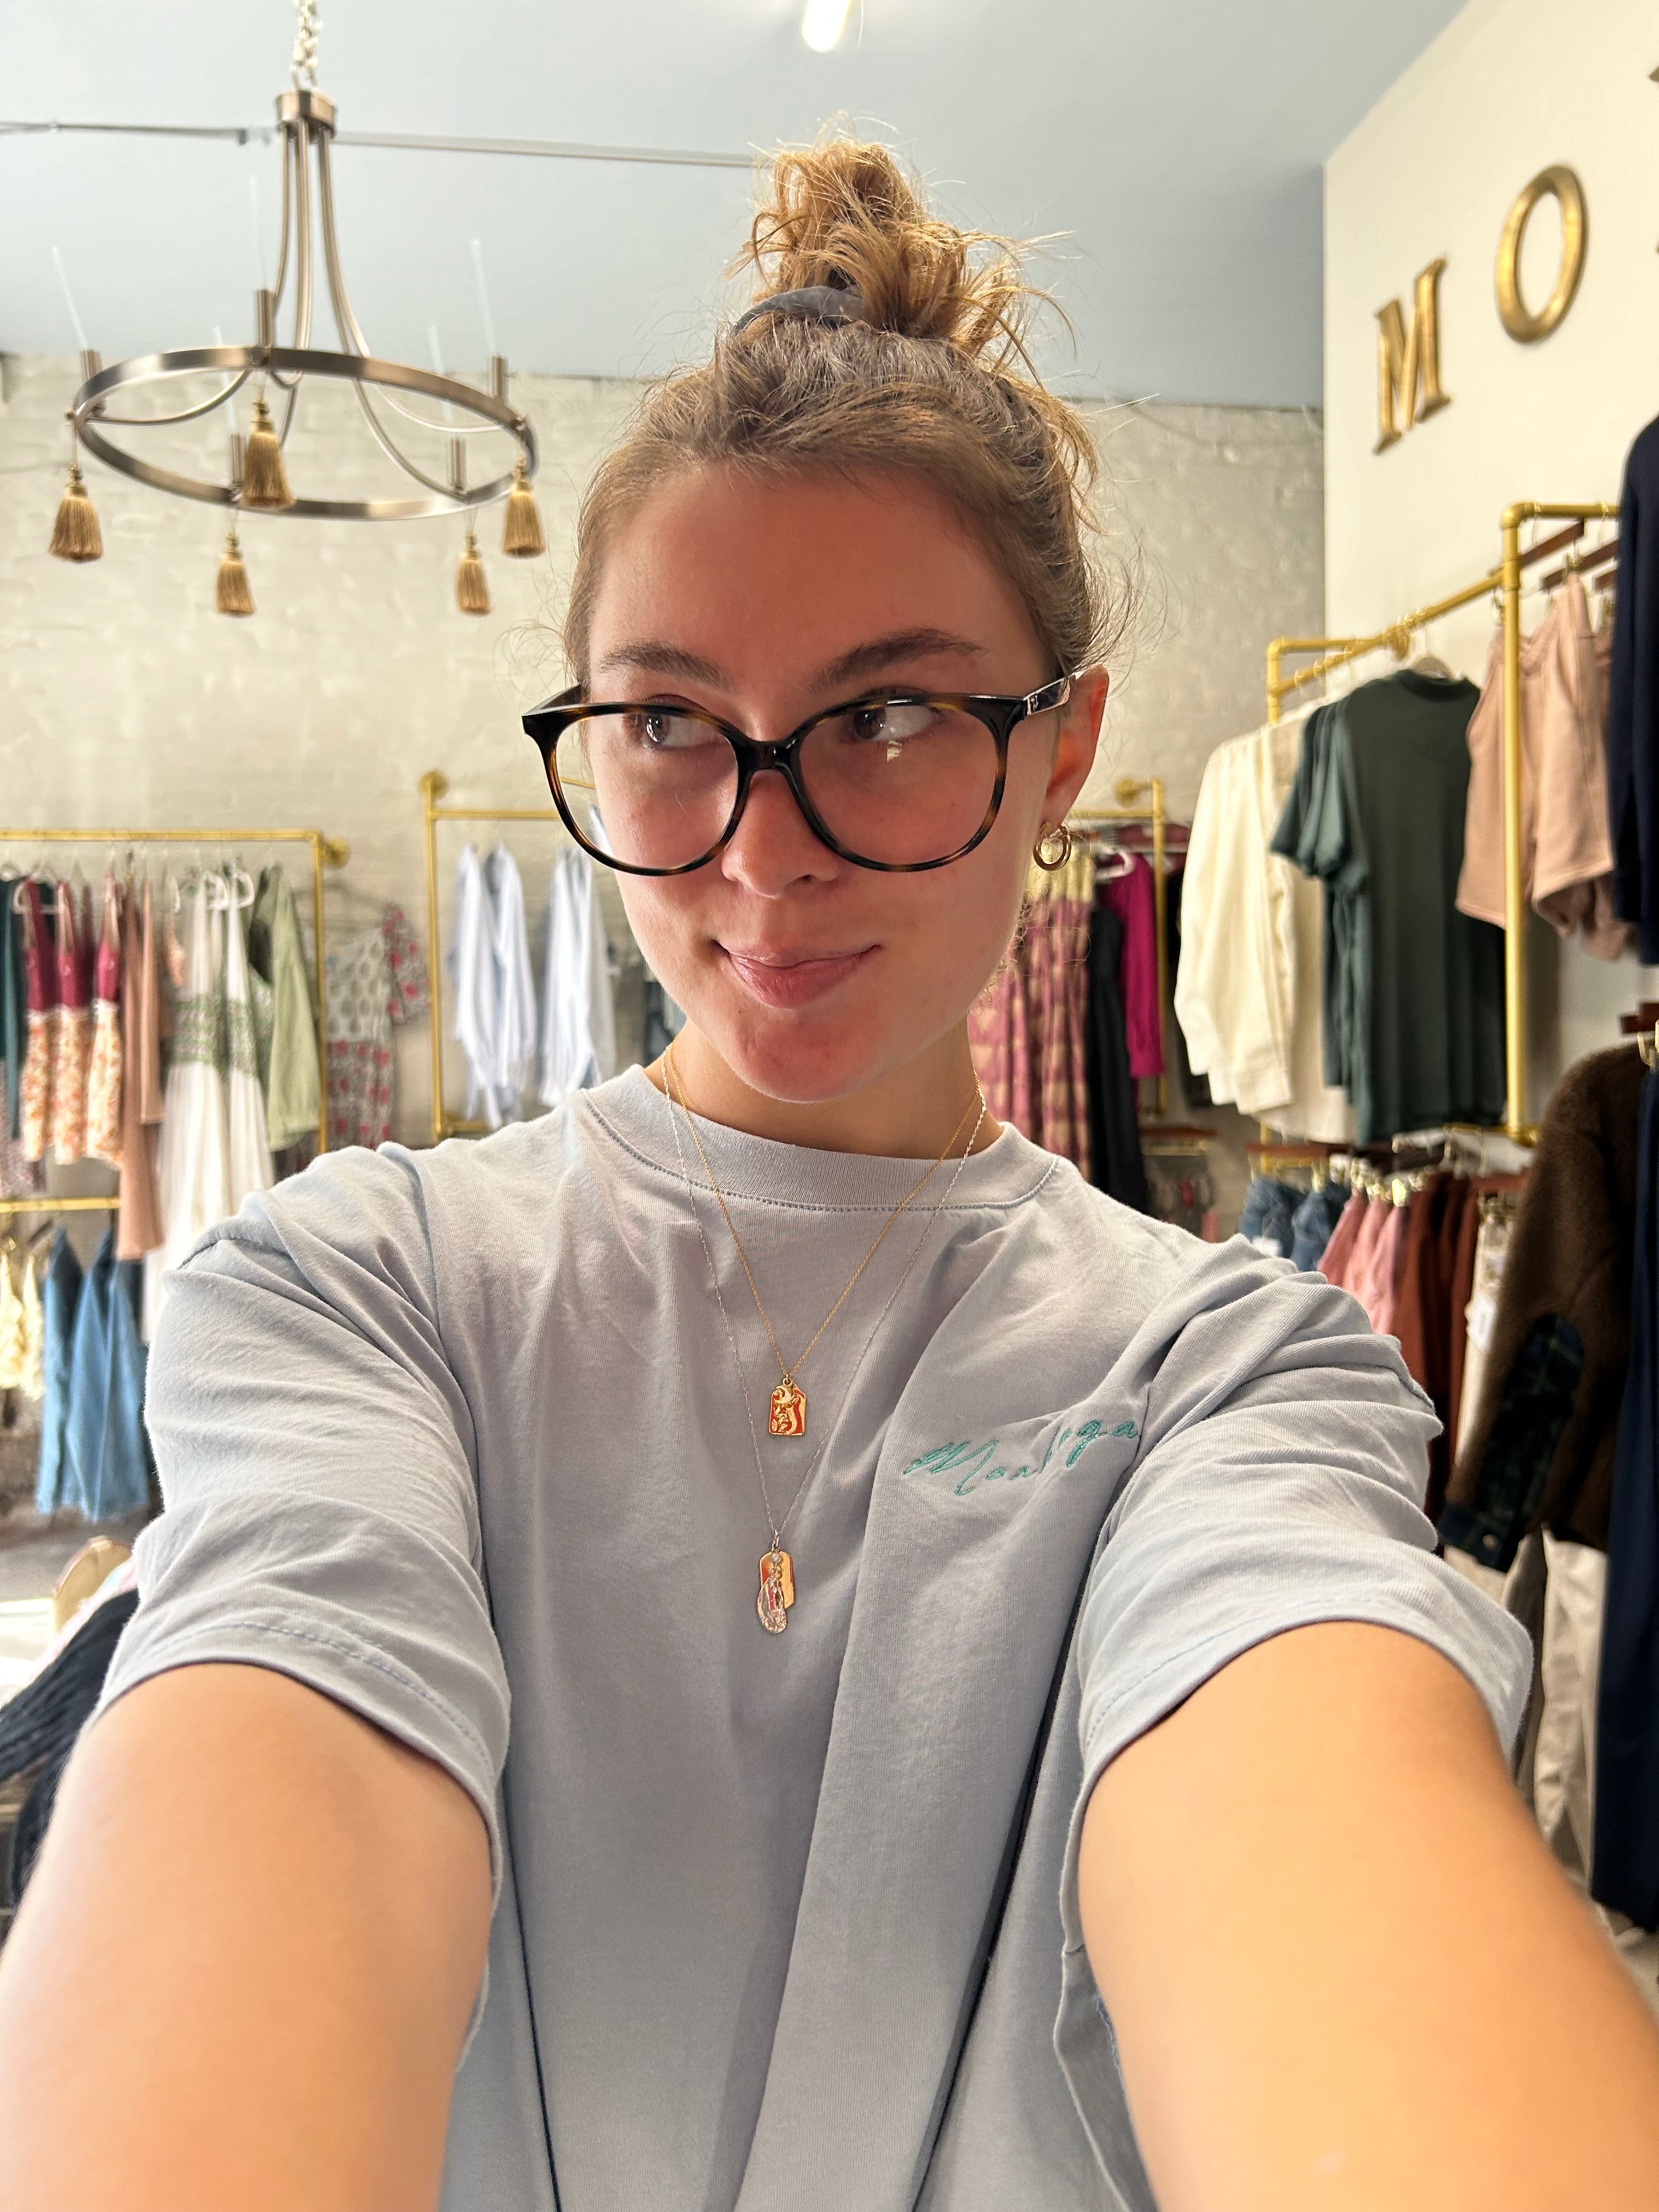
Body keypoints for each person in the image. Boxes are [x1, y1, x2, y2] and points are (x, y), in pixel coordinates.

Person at [3, 141, 1658, 2212]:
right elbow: (287, 1733)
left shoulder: (1241, 1374)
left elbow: (1305, 1789)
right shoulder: (353, 1295)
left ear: (1062, 754)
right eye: (670, 724)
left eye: (885, 712)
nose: (762, 852)